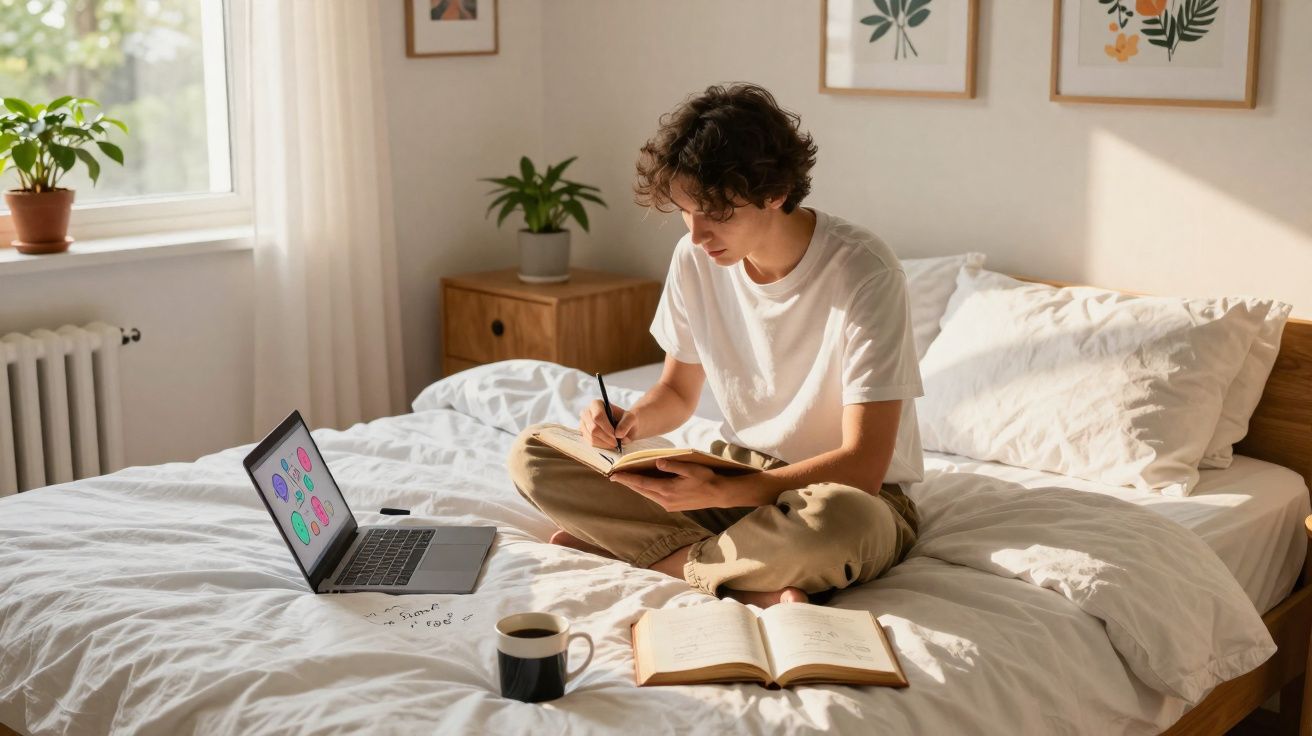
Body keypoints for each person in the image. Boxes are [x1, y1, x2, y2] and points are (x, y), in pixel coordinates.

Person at [507, 82, 923, 609]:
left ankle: (657, 558)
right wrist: (628, 423)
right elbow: (677, 393)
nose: (698, 235)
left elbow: (863, 465)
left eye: (718, 213)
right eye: (687, 211)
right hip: (735, 473)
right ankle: (741, 574)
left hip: (842, 494)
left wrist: (726, 492)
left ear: (775, 193)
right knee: (535, 453)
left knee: (842, 523)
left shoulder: (864, 270)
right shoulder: (694, 259)